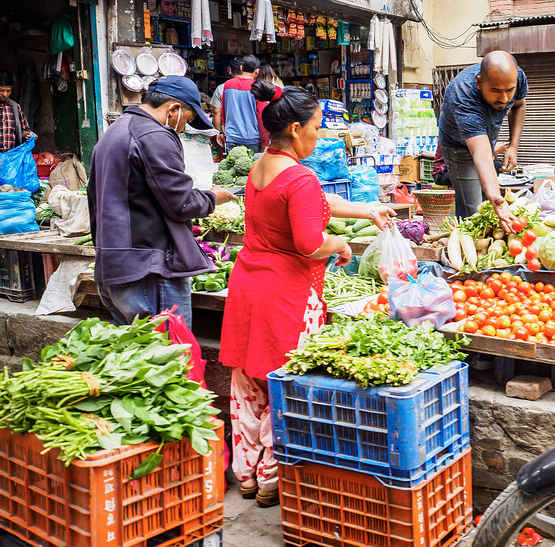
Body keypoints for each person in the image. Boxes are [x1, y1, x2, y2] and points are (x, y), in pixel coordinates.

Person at [219, 80, 396, 508]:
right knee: (286, 386)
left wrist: (369, 209)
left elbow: (313, 202)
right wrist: (340, 245)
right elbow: (309, 242)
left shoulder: (263, 166)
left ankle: (246, 475)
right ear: (296, 129)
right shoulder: (297, 176)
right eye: (318, 128)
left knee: (247, 383)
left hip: (248, 285)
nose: (321, 136)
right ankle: (270, 481)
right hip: (285, 293)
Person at [87, 76, 236, 328]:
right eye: (186, 121)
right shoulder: (154, 135)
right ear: (174, 109)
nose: (182, 128)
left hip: (117, 262)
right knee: (168, 352)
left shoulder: (116, 130)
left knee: (137, 354)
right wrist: (213, 198)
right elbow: (181, 204)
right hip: (149, 268)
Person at [438, 50, 527, 233]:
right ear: (480, 83)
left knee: (490, 207)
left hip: (486, 137)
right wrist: (496, 197)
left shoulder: (517, 77)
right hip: (458, 147)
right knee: (473, 211)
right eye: (495, 91)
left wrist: (513, 146)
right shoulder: (463, 95)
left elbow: (519, 105)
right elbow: (482, 155)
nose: (504, 99)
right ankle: (465, 257)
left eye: (509, 91)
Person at [221, 55, 268, 153]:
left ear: (241, 68)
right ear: (257, 71)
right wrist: (265, 141)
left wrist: (227, 131)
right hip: (253, 139)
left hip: (232, 137)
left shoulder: (228, 84)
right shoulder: (258, 87)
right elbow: (262, 116)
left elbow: (224, 111)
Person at [211, 57, 243, 148]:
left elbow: (217, 112)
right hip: (251, 135)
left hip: (230, 134)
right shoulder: (252, 87)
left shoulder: (222, 88)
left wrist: (219, 132)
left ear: (229, 70)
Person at [0, 70, 34, 152]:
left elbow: (24, 131)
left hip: (10, 158)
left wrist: (29, 135)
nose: (5, 94)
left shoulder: (15, 107)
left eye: (8, 91)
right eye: (1, 90)